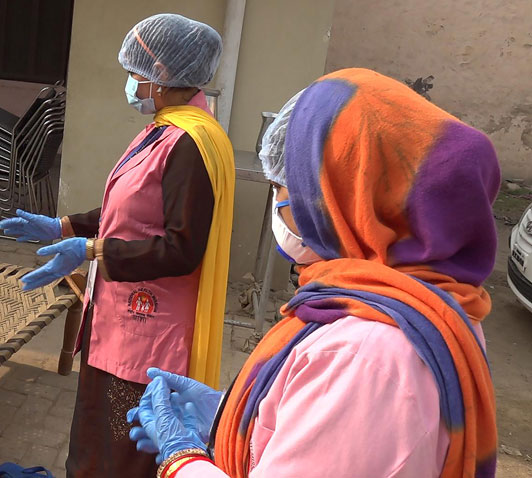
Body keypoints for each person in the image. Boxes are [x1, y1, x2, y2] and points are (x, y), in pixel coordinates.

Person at [127, 67, 500, 478]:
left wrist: (182, 459)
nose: (279, 199)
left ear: (344, 196)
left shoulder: (365, 354)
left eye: (285, 183)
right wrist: (233, 417)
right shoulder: (426, 301)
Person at [0, 14, 235, 477]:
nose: (129, 83)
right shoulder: (166, 128)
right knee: (93, 444)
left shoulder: (190, 143)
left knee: (121, 454)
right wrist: (62, 225)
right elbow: (129, 210)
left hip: (147, 335)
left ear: (162, 76)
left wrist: (91, 251)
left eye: (135, 73)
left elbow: (182, 248)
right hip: (118, 322)